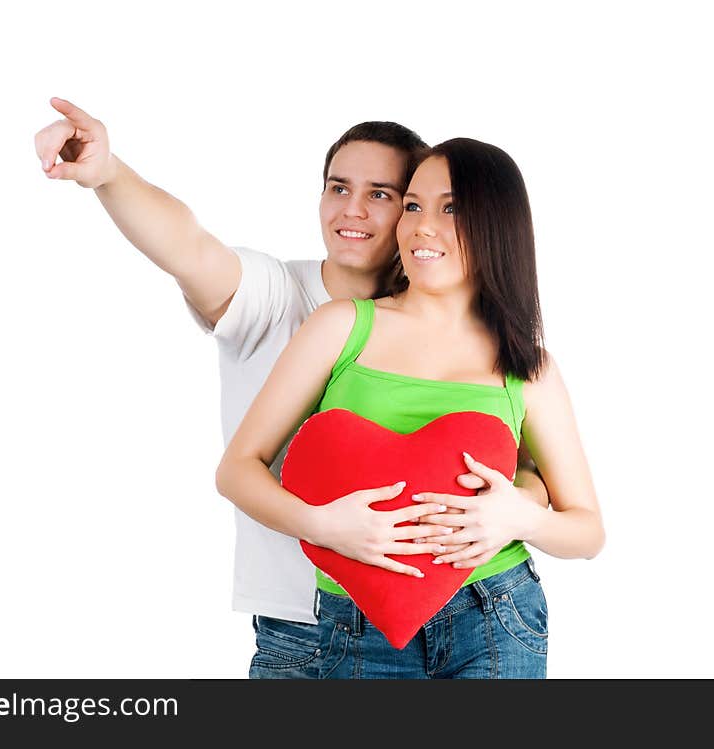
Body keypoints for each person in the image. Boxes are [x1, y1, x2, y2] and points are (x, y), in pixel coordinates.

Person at [33, 100, 552, 678]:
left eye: (383, 195)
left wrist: (525, 502)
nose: (351, 210)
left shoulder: (467, 334)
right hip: (299, 617)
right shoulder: (276, 295)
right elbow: (189, 246)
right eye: (338, 187)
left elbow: (517, 455)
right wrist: (109, 173)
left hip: (454, 608)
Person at [216, 138, 605, 678]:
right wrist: (321, 525)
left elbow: (587, 531)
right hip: (357, 618)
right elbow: (237, 469)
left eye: (451, 208)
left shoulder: (527, 365)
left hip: (494, 612)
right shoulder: (342, 326)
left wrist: (521, 516)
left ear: (497, 225)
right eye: (414, 205)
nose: (422, 225)